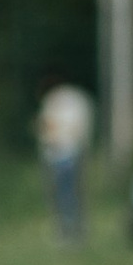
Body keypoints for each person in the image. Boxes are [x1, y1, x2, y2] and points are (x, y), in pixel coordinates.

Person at [34, 79, 92, 243]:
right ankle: (69, 231)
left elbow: (49, 127)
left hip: (65, 154)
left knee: (67, 195)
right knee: (66, 195)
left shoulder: (59, 102)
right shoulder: (73, 100)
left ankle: (71, 231)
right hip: (62, 154)